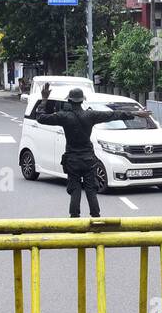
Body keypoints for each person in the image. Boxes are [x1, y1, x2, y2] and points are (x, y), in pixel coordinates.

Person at [35, 84, 142, 217]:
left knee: (75, 190)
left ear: (69, 101)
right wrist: (134, 114)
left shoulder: (64, 116)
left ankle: (74, 219)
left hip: (72, 160)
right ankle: (96, 218)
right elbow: (112, 115)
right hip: (88, 160)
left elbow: (41, 118)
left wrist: (44, 99)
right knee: (91, 189)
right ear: (82, 100)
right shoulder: (91, 115)